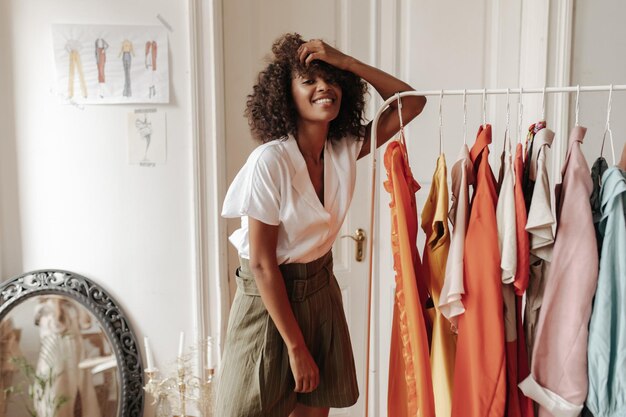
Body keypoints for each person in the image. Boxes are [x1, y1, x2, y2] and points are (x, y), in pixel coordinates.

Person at [218, 33, 426, 417]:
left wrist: (347, 62)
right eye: (309, 80)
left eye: (330, 79)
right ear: (287, 95)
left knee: (314, 411)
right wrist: (296, 348)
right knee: (243, 410)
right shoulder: (270, 162)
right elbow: (263, 264)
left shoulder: (342, 147)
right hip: (268, 301)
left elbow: (411, 103)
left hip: (320, 290)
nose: (323, 87)